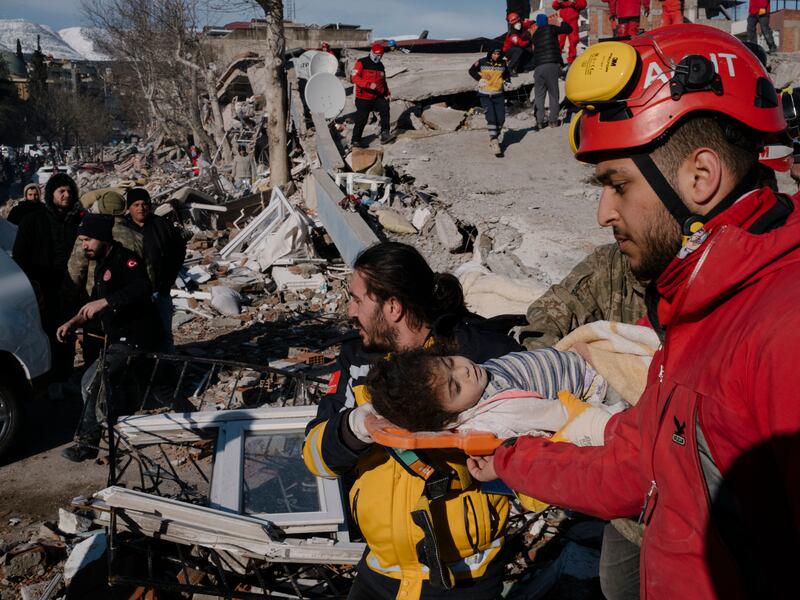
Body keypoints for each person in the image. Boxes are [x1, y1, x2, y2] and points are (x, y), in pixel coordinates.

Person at [467, 25, 798, 599]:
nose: (602, 212)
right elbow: (638, 466)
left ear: (700, 177)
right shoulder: (698, 307)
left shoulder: (782, 329)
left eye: (617, 184)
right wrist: (513, 459)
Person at [302, 241, 523, 600]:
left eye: (358, 300)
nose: (350, 310)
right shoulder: (358, 361)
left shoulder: (478, 355)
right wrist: (359, 426)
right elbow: (315, 456)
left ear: (392, 307)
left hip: (463, 579)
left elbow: (544, 435)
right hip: (380, 574)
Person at [57, 214, 161, 462]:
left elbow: (143, 288)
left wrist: (107, 301)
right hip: (116, 339)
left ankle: (88, 443)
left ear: (103, 238)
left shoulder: (126, 260)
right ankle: (111, 428)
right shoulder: (101, 266)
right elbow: (91, 305)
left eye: (88, 240)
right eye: (82, 241)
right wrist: (72, 323)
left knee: (95, 383)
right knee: (92, 383)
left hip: (135, 337)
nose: (84, 246)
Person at [367, 347, 614, 438]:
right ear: (446, 418)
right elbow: (565, 416)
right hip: (593, 383)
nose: (464, 372)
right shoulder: (502, 411)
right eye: (456, 388)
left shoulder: (476, 388)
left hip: (573, 359)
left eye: (449, 363)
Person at [12, 173, 84, 383]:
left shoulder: (78, 220)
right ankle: (49, 379)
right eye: (61, 191)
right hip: (43, 288)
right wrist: (32, 286)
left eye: (70, 191)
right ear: (51, 194)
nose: (66, 195)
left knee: (68, 331)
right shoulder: (33, 221)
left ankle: (66, 376)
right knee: (46, 333)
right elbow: (20, 256)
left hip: (70, 287)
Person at [63, 189, 145, 364]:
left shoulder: (92, 234)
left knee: (98, 362)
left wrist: (69, 304)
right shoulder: (137, 236)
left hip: (101, 311)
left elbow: (75, 273)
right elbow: (149, 274)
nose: (85, 245)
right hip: (129, 314)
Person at [125, 188, 186, 352]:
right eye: (136, 204)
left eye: (144, 204)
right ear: (129, 207)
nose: (141, 208)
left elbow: (178, 251)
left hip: (159, 291)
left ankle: (167, 370)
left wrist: (168, 280)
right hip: (131, 294)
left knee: (164, 333)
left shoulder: (161, 225)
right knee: (136, 334)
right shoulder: (122, 228)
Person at [532, 13, 572, 130]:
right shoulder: (551, 28)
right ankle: (553, 121)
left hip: (538, 68)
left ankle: (539, 122)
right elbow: (569, 29)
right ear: (546, 21)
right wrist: (558, 22)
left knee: (539, 96)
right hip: (551, 65)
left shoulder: (535, 35)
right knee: (553, 95)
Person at [469, 47, 510, 157]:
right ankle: (494, 141)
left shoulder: (502, 63)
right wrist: (479, 79)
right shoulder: (482, 61)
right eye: (494, 54)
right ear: (490, 53)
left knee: (501, 119)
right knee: (491, 118)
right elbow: (471, 70)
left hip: (499, 95)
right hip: (485, 95)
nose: (496, 56)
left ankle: (494, 136)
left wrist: (507, 81)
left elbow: (506, 74)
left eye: (498, 54)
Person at [351, 43, 393, 148]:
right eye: (376, 55)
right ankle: (355, 140)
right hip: (363, 97)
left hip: (377, 96)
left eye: (380, 56)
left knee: (385, 109)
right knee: (362, 119)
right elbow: (355, 77)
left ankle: (385, 134)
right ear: (371, 52)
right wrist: (368, 85)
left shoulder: (380, 65)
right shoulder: (362, 62)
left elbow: (383, 81)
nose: (378, 57)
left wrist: (387, 93)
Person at [553, 0, 587, 65]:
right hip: (562, 21)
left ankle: (571, 61)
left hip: (573, 20)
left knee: (573, 40)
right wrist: (558, 2)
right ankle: (556, 60)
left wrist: (575, 2)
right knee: (560, 42)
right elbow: (554, 6)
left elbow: (583, 5)